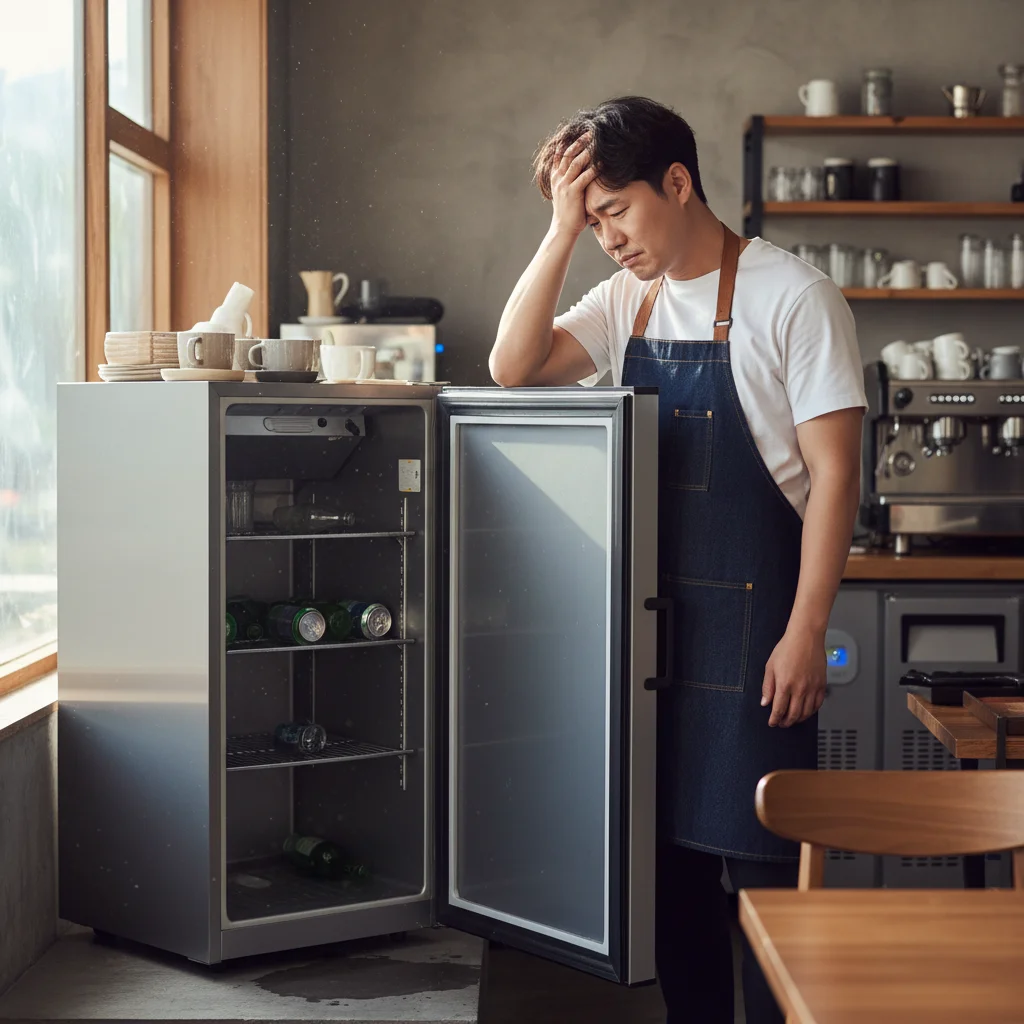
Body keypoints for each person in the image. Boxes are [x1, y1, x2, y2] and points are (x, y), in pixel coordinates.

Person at [489, 96, 866, 1024]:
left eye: (614, 211)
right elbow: (512, 365)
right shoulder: (628, 302)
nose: (607, 237)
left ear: (678, 181)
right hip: (653, 650)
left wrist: (806, 631)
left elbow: (835, 479)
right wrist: (559, 230)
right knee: (674, 899)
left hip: (757, 643)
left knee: (768, 889)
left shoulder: (795, 296)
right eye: (592, 218)